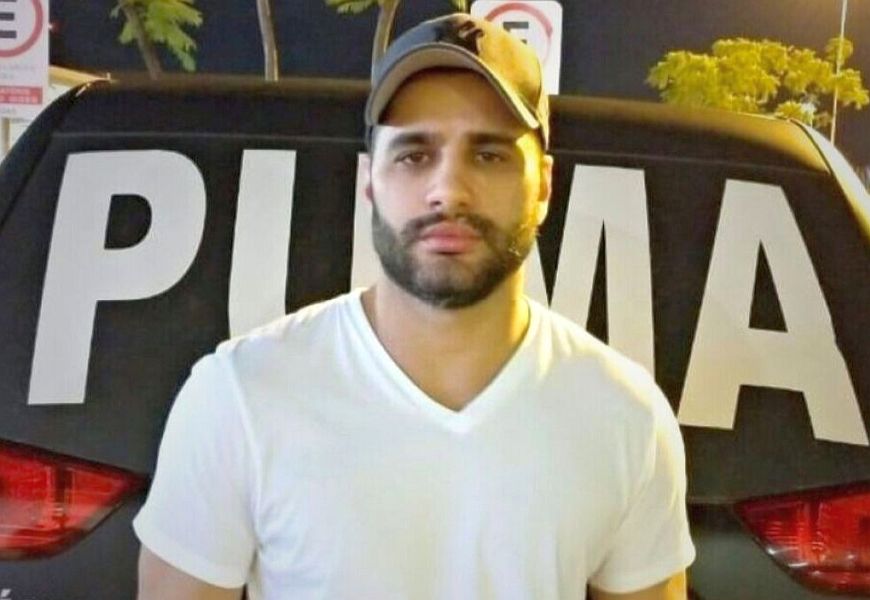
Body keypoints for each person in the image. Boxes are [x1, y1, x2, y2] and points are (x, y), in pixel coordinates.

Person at [134, 12, 695, 600]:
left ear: (545, 186)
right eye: (413, 154)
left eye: (490, 155)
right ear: (368, 179)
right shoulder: (239, 397)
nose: (448, 191)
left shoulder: (626, 417)